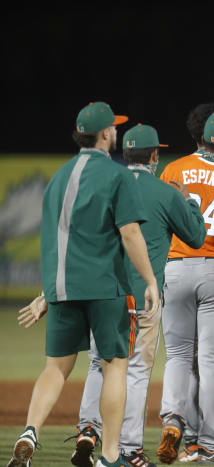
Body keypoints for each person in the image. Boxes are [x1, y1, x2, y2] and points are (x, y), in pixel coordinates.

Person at [8, 102, 159, 467]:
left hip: (63, 289)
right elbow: (130, 232)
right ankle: (108, 455)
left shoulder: (57, 178)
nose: (115, 132)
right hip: (105, 287)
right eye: (114, 127)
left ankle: (30, 430)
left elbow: (59, 242)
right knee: (115, 366)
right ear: (106, 133)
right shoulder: (116, 174)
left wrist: (48, 293)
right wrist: (151, 279)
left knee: (55, 369)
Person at [59, 124, 205, 467]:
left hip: (100, 294)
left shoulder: (104, 187)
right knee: (136, 370)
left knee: (99, 363)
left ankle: (88, 430)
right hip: (140, 298)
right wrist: (191, 203)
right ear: (154, 156)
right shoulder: (165, 192)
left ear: (125, 154)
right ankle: (127, 451)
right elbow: (196, 237)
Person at [156, 109, 214, 465]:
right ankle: (209, 444)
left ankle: (173, 421)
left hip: (175, 267)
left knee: (178, 357)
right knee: (211, 363)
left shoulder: (173, 170)